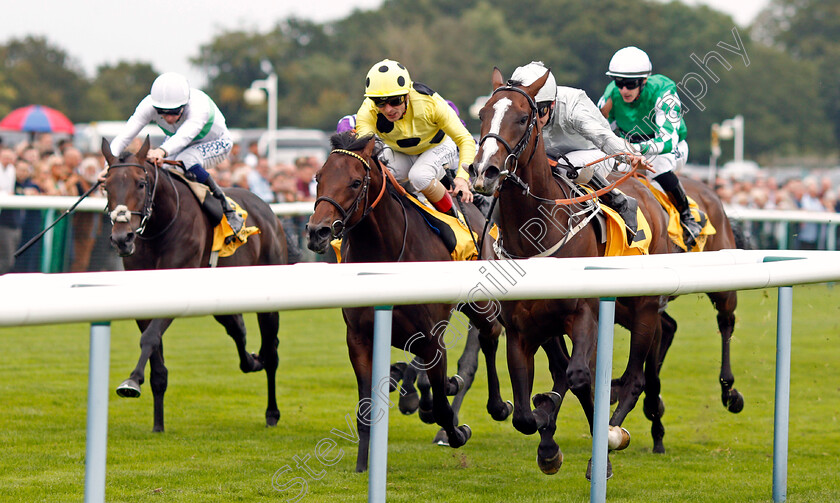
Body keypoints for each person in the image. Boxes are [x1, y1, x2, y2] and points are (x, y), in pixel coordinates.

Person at [510, 61, 648, 240]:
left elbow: (602, 137)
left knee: (561, 168)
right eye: (530, 111)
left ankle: (620, 202)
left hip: (596, 155)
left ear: (552, 104)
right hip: (552, 157)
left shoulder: (572, 106)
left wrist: (629, 156)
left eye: (540, 110)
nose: (535, 119)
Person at [106, 72, 244, 234]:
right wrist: (108, 167)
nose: (169, 118)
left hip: (216, 143)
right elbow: (124, 137)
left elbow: (184, 137)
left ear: (185, 105)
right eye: (162, 112)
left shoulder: (199, 106)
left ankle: (225, 207)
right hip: (177, 143)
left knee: (186, 159)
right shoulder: (147, 105)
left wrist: (161, 151)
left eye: (175, 112)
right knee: (157, 170)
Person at [598, 46, 702, 249]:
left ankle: (687, 216)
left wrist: (634, 150)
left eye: (630, 84)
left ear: (644, 81)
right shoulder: (611, 94)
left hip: (670, 147)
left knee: (659, 163)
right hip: (630, 147)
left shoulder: (664, 92)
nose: (624, 90)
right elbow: (598, 129)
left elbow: (667, 141)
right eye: (619, 83)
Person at [354, 59, 473, 217]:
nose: (388, 109)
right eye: (380, 103)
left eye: (395, 101)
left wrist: (462, 179)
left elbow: (465, 140)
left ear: (407, 95)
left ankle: (454, 217)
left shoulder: (430, 103)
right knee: (380, 178)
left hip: (438, 146)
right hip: (401, 152)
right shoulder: (367, 110)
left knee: (419, 176)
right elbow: (363, 152)